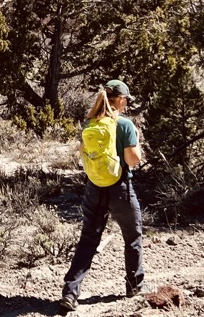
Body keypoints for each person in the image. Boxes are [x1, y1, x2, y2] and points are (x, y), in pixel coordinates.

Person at [58, 79, 144, 312]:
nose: (127, 104)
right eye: (126, 100)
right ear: (120, 99)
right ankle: (134, 287)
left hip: (94, 187)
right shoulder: (124, 125)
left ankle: (70, 292)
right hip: (120, 188)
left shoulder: (90, 123)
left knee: (88, 240)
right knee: (133, 237)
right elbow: (132, 160)